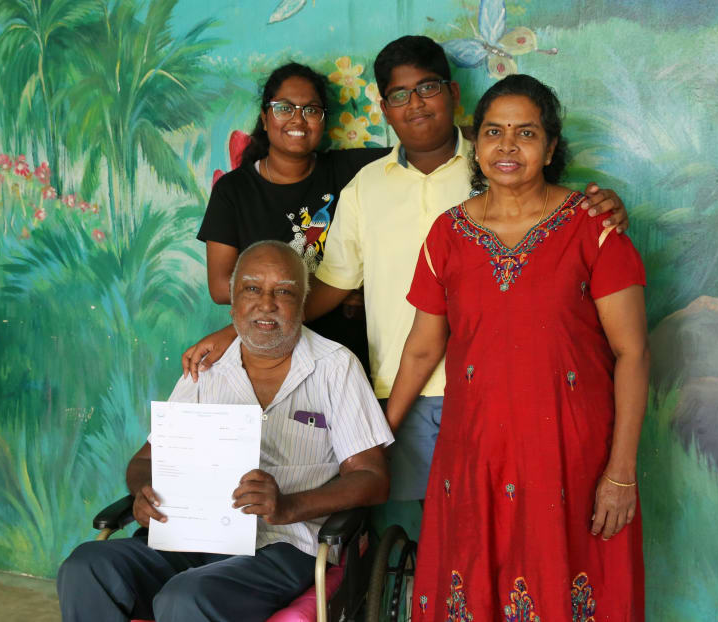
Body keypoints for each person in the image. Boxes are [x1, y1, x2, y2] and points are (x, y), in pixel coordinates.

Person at [183, 36, 631, 504]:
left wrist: (603, 206)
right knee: (417, 536)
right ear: (384, 108)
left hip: (497, 390)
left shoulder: (498, 165)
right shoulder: (365, 184)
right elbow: (330, 286)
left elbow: (554, 216)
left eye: (428, 88)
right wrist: (238, 334)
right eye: (399, 95)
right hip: (400, 389)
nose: (415, 104)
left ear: (453, 93)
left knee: (508, 527)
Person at [387, 74, 648, 619]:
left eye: (526, 133)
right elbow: (422, 349)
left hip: (571, 458)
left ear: (551, 148)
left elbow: (633, 354)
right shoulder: (448, 235)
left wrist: (621, 472)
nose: (507, 146)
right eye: (493, 131)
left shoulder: (594, 228)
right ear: (476, 144)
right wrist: (379, 435)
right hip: (474, 456)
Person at [57, 241, 393, 622]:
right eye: (252, 289)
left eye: (283, 292)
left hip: (283, 545)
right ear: (232, 305)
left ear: (302, 306)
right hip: (188, 536)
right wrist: (143, 492)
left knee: (185, 597)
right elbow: (146, 459)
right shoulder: (205, 369)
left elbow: (373, 478)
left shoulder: (336, 368)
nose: (266, 304)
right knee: (86, 568)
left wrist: (289, 505)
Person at [197, 62, 389, 370]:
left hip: (345, 354)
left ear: (323, 120)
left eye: (311, 110)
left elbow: (420, 154)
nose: (298, 119)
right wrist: (338, 288)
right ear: (265, 118)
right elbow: (221, 287)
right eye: (284, 108)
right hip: (268, 350)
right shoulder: (234, 190)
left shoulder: (349, 170)